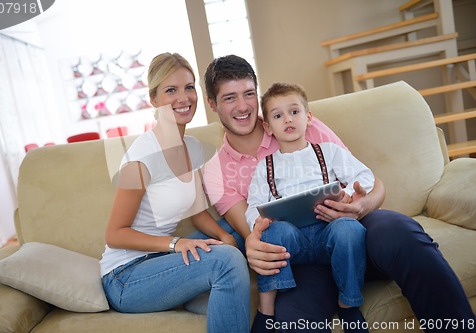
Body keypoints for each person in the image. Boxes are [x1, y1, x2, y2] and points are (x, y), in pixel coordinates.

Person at [202, 54, 476, 332]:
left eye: (248, 94)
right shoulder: (216, 171)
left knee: (400, 230)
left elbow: (370, 182)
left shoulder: (300, 122)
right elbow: (255, 232)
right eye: (229, 98)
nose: (242, 106)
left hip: (349, 231)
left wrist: (361, 205)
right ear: (212, 104)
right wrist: (253, 245)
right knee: (291, 323)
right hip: (301, 260)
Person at [100, 52, 250, 333]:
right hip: (126, 276)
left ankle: (194, 294)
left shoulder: (192, 147)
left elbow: (196, 210)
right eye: (171, 90)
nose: (184, 98)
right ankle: (202, 290)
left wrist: (224, 235)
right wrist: (175, 243)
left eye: (189, 87)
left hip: (163, 261)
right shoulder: (141, 157)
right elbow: (115, 234)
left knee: (242, 232)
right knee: (226, 261)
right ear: (153, 99)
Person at [245, 82, 374, 333]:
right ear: (269, 127)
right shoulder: (266, 166)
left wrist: (347, 195)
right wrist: (259, 225)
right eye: (278, 115)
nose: (288, 120)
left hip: (329, 231)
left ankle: (348, 303)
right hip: (295, 242)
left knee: (349, 229)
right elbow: (254, 206)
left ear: (309, 117)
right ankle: (267, 311)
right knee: (273, 234)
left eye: (294, 112)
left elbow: (365, 176)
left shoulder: (328, 152)